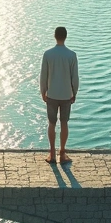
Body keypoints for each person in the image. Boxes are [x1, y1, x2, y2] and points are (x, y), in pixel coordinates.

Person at [39, 26, 79, 164]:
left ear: (54, 36)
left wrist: (43, 91)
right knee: (64, 123)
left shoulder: (48, 54)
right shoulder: (72, 55)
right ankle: (62, 153)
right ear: (65, 36)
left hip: (52, 95)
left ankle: (52, 153)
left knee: (51, 123)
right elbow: (75, 78)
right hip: (66, 95)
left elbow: (43, 76)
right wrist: (74, 92)